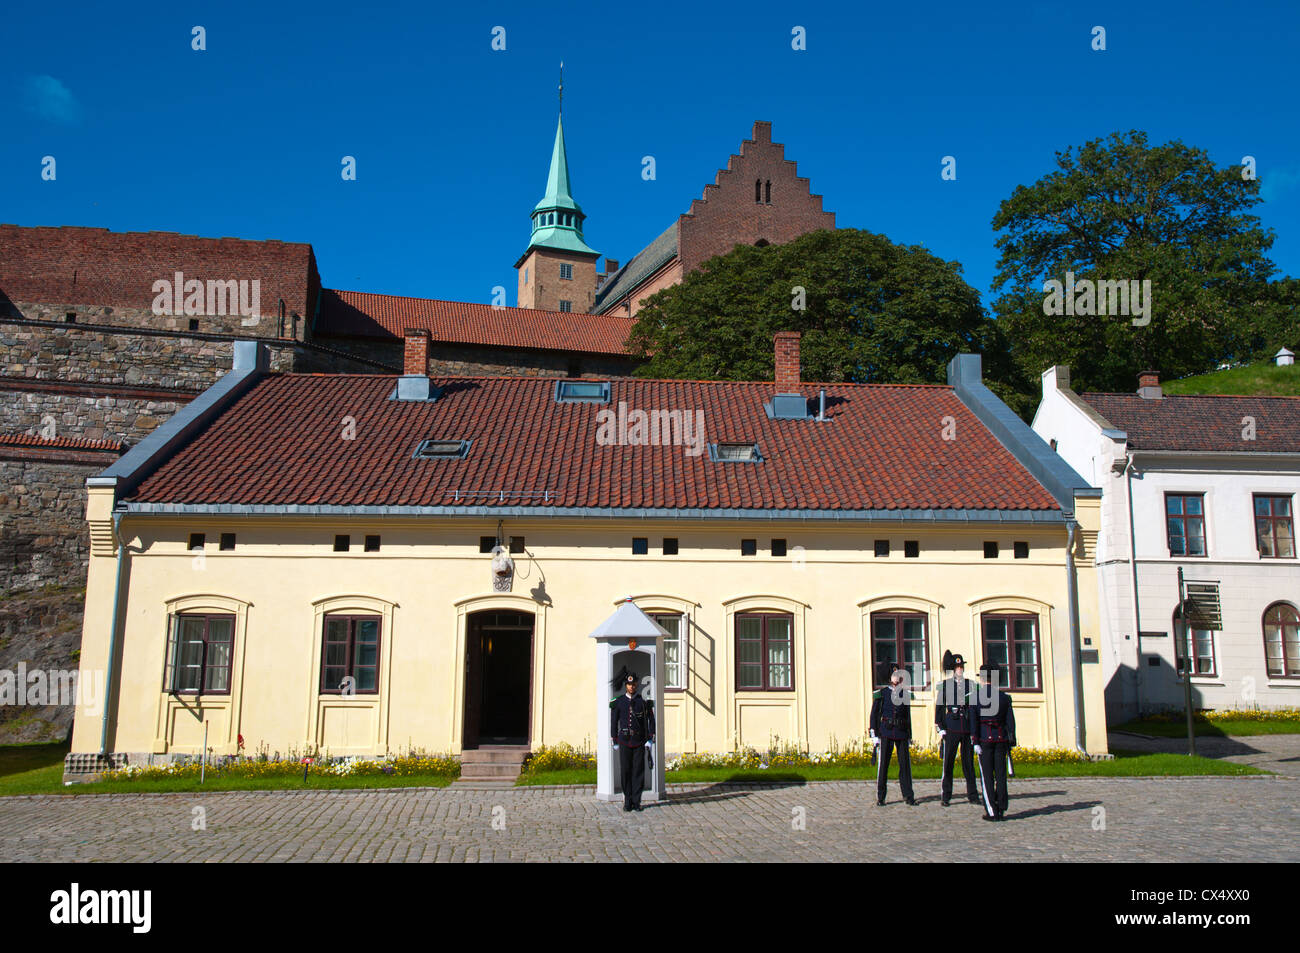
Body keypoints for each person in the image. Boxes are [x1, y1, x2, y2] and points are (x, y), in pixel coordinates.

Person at [969, 660, 1016, 821]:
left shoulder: (976, 697)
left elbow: (973, 722)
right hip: (1001, 739)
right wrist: (1011, 740)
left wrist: (974, 741)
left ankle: (991, 810)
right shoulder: (1004, 698)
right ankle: (1002, 808)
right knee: (1001, 775)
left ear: (982, 679)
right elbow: (1010, 722)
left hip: (984, 739)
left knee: (987, 776)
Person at [934, 650, 979, 807]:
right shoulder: (945, 685)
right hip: (951, 727)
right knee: (948, 764)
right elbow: (939, 707)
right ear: (952, 669)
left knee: (969, 764)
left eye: (961, 666)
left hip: (966, 727)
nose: (960, 669)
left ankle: (973, 794)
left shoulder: (971, 685)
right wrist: (940, 727)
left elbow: (975, 707)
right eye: (957, 667)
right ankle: (946, 795)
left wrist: (975, 729)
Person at [869, 661, 916, 806]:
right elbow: (874, 714)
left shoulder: (904, 694)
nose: (897, 677)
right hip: (886, 731)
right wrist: (874, 734)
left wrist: (909, 735)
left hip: (901, 732)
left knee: (905, 765)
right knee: (883, 765)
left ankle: (908, 795)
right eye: (894, 675)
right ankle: (881, 796)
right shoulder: (882, 694)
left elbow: (907, 715)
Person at [610, 673, 655, 812]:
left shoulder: (642, 702)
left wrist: (649, 738)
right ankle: (627, 801)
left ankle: (636, 801)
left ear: (637, 685)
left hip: (638, 741)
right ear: (626, 685)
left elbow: (650, 720)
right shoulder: (619, 702)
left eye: (634, 684)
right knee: (626, 771)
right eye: (629, 684)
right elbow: (614, 721)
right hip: (624, 741)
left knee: (638, 772)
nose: (632, 686)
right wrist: (614, 739)